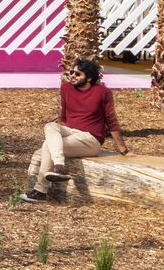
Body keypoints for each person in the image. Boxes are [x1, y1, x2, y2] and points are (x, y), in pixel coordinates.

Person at [20, 58, 129, 203]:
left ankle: (40, 191)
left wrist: (123, 149)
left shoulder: (103, 92)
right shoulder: (66, 88)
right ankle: (58, 165)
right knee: (50, 126)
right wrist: (56, 138)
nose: (72, 76)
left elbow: (111, 121)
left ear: (89, 78)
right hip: (71, 132)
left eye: (78, 74)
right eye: (71, 72)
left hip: (90, 140)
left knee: (47, 145)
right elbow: (63, 117)